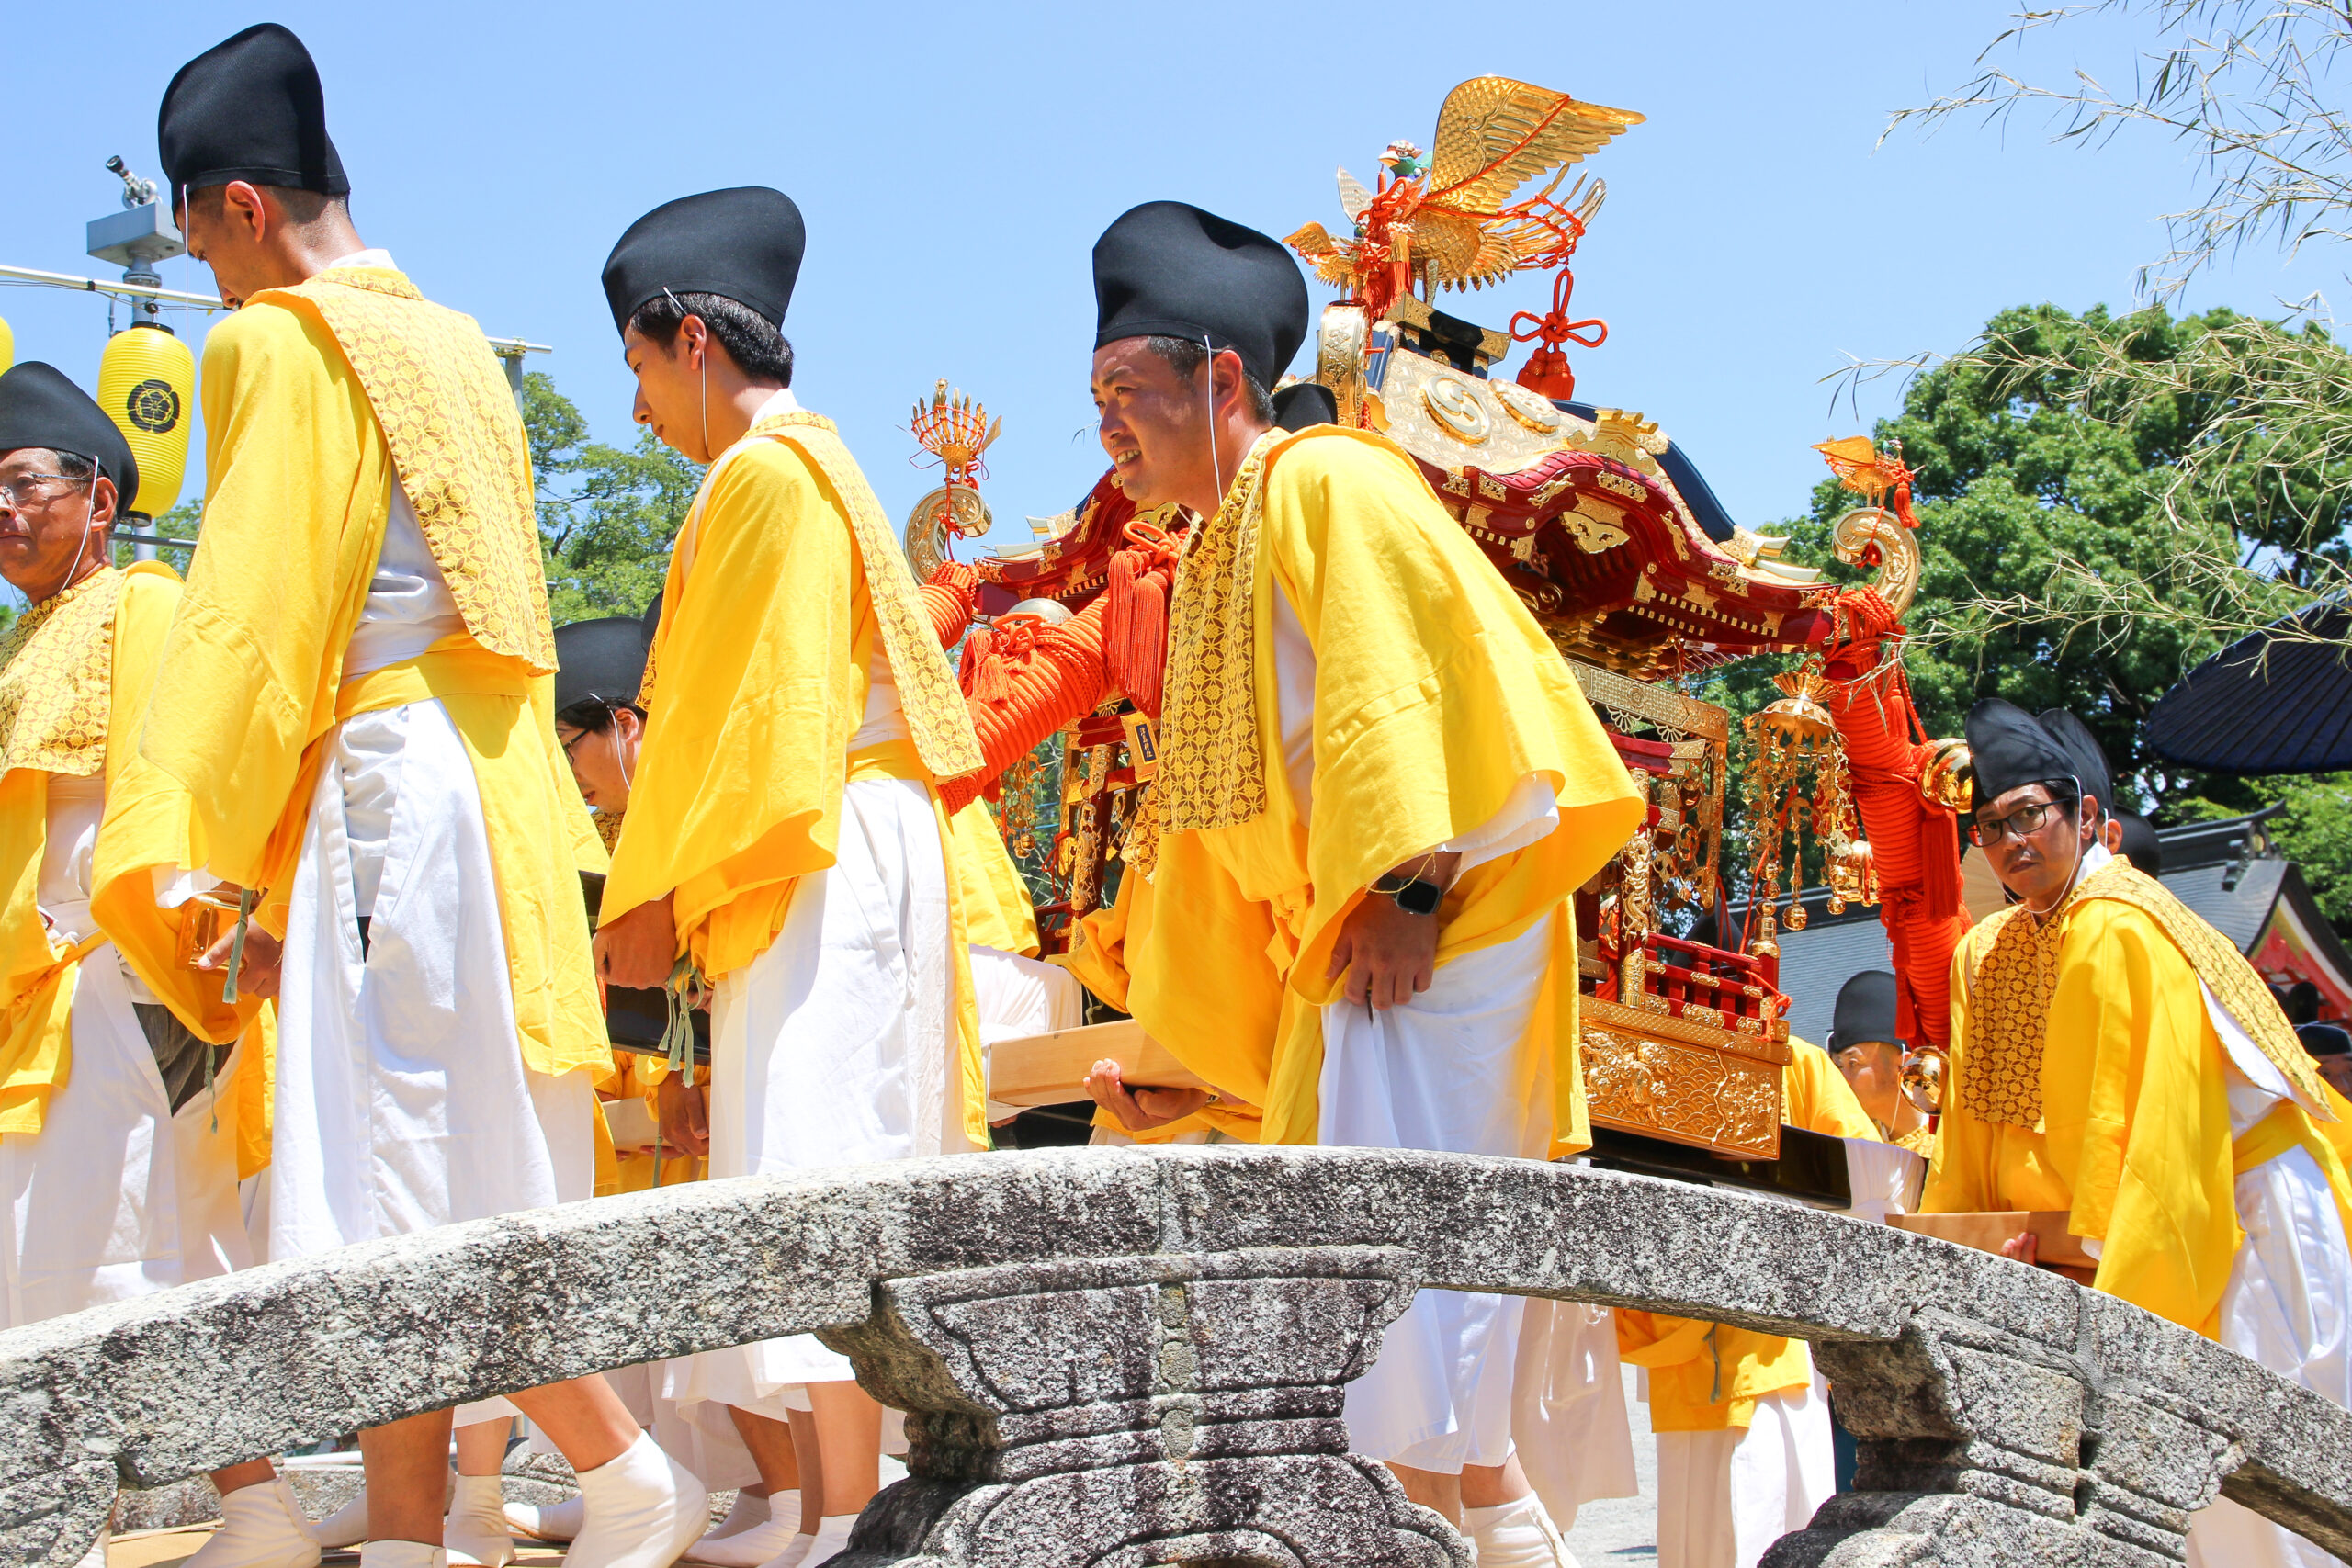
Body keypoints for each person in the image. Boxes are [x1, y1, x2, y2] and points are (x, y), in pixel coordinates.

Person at [130, 26, 705, 1568]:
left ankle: (626, 1463)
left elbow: (254, 616)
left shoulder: (281, 341)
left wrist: (184, 849)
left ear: (240, 204)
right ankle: (403, 1540)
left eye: (197, 245)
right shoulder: (455, 339)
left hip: (390, 785)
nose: (205, 285)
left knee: (395, 1185)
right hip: (501, 784)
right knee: (432, 1167)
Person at [1074, 200, 1644, 1567]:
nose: (1107, 427)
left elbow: (1429, 692)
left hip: (1438, 946)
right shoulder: (1215, 541)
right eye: (1093, 398)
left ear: (1224, 380)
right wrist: (1197, 1062)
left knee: (1404, 1347)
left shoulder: (1334, 479)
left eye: (1127, 392)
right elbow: (1237, 841)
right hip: (1355, 961)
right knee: (1400, 1361)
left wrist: (1414, 881)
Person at [591, 186, 987, 1568]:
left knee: (823, 1177)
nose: (638, 404)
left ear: (691, 340)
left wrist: (649, 893)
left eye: (638, 365)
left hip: (812, 840)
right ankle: (838, 1509)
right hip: (834, 838)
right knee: (840, 1176)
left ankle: (837, 1514)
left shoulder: (762, 476)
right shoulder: (806, 465)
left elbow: (744, 719)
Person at [1923, 698, 2352, 1568]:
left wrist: (2118, 1309)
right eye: (1989, 827)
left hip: (2237, 1215)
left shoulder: (2125, 924)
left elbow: (2157, 1133)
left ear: (2087, 817)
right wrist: (1965, 1245)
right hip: (2138, 1217)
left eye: (2030, 815)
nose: (2011, 843)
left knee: (2255, 1488)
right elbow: (1980, 1121)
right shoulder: (1996, 945)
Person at [0, 364, 310, 1568]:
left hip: (121, 986)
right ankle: (260, 1510)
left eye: (27, 486)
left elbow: (205, 799)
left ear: (102, 501)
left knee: (102, 1263)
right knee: (105, 1264)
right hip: (48, 999)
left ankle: (71, 1525)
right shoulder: (29, 643)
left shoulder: (146, 605)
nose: (7, 511)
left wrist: (218, 972)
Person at [1617, 1009, 1877, 1568]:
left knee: (1768, 1528)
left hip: (1776, 1353)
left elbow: (1863, 1182)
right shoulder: (1643, 1058)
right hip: (1688, 1359)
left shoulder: (1794, 1064)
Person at [1827, 970, 1933, 1156]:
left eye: (1853, 1063)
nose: (1844, 1080)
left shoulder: (1948, 1137)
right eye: (1840, 1066)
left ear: (1903, 1066)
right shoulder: (1851, 1143)